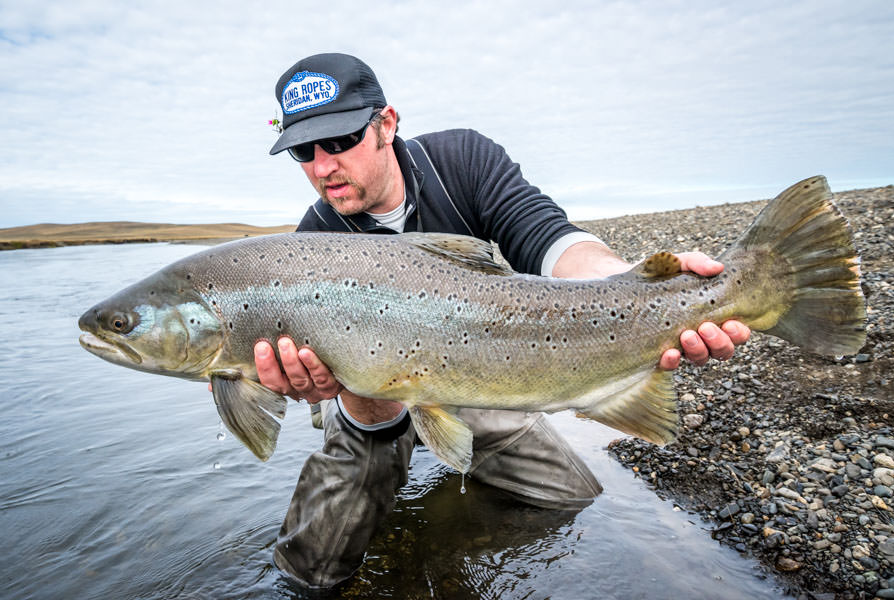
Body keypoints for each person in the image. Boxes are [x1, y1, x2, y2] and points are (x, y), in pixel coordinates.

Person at [257, 53, 751, 589]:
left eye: (339, 141)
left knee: (570, 495)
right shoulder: (313, 242)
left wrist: (632, 282)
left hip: (478, 370)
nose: (322, 166)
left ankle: (442, 540)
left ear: (386, 123)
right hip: (369, 396)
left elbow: (548, 239)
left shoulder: (460, 161)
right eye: (303, 151)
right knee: (313, 570)